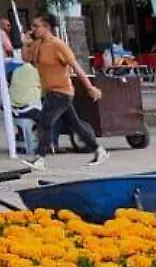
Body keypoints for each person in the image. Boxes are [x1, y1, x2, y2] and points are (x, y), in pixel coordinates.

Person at [24, 12, 107, 166]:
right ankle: (99, 150)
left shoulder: (58, 45)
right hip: (49, 91)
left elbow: (76, 67)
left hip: (61, 92)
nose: (33, 29)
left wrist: (89, 87)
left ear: (46, 27)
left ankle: (40, 157)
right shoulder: (38, 44)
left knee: (45, 121)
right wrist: (26, 43)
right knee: (75, 125)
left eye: (36, 26)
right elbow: (26, 58)